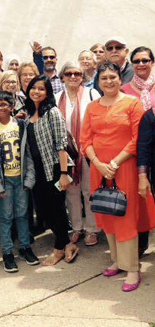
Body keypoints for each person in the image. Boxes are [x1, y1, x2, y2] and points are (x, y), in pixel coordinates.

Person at [81, 61, 155, 292]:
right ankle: (117, 260)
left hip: (123, 168)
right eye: (104, 78)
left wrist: (113, 163)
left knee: (126, 214)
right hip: (99, 170)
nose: (109, 81)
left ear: (120, 79)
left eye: (113, 77)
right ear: (98, 81)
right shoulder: (92, 107)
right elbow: (85, 140)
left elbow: (138, 139)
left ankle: (132, 267)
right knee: (107, 213)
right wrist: (98, 164)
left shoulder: (132, 104)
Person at [24, 75, 78, 265]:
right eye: (33, 88)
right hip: (38, 171)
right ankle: (67, 243)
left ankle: (59, 249)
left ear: (47, 93)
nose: (36, 91)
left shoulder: (52, 112)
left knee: (56, 209)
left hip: (55, 168)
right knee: (44, 212)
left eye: (41, 89)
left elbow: (61, 145)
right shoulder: (29, 116)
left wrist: (64, 174)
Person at [0, 91, 39, 273]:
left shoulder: (21, 126)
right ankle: (7, 252)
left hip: (21, 177)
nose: (1, 108)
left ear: (11, 107)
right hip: (5, 180)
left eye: (5, 105)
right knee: (5, 217)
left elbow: (27, 154)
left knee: (23, 215)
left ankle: (25, 247)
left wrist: (29, 178)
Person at [55, 62, 101, 246]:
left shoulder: (92, 94)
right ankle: (76, 227)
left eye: (77, 73)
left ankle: (92, 229)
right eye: (69, 73)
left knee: (89, 191)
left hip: (89, 151)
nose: (73, 76)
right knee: (71, 193)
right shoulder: (57, 97)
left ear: (83, 76)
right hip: (66, 152)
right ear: (62, 76)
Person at [121, 47, 155, 256]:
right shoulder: (124, 89)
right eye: (136, 61)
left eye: (145, 60)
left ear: (152, 62)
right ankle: (141, 242)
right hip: (135, 150)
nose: (141, 64)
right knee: (139, 197)